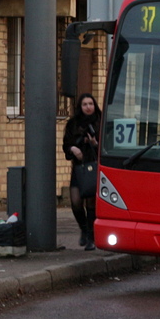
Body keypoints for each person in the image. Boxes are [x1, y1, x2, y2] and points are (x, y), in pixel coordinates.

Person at [62, 93, 101, 250]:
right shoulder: (73, 123)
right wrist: (73, 148)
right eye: (85, 104)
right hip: (79, 168)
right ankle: (84, 230)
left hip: (94, 166)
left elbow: (107, 145)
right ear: (80, 107)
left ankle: (91, 237)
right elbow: (66, 145)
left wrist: (95, 144)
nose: (88, 107)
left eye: (91, 103)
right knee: (76, 201)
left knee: (91, 202)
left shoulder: (100, 121)